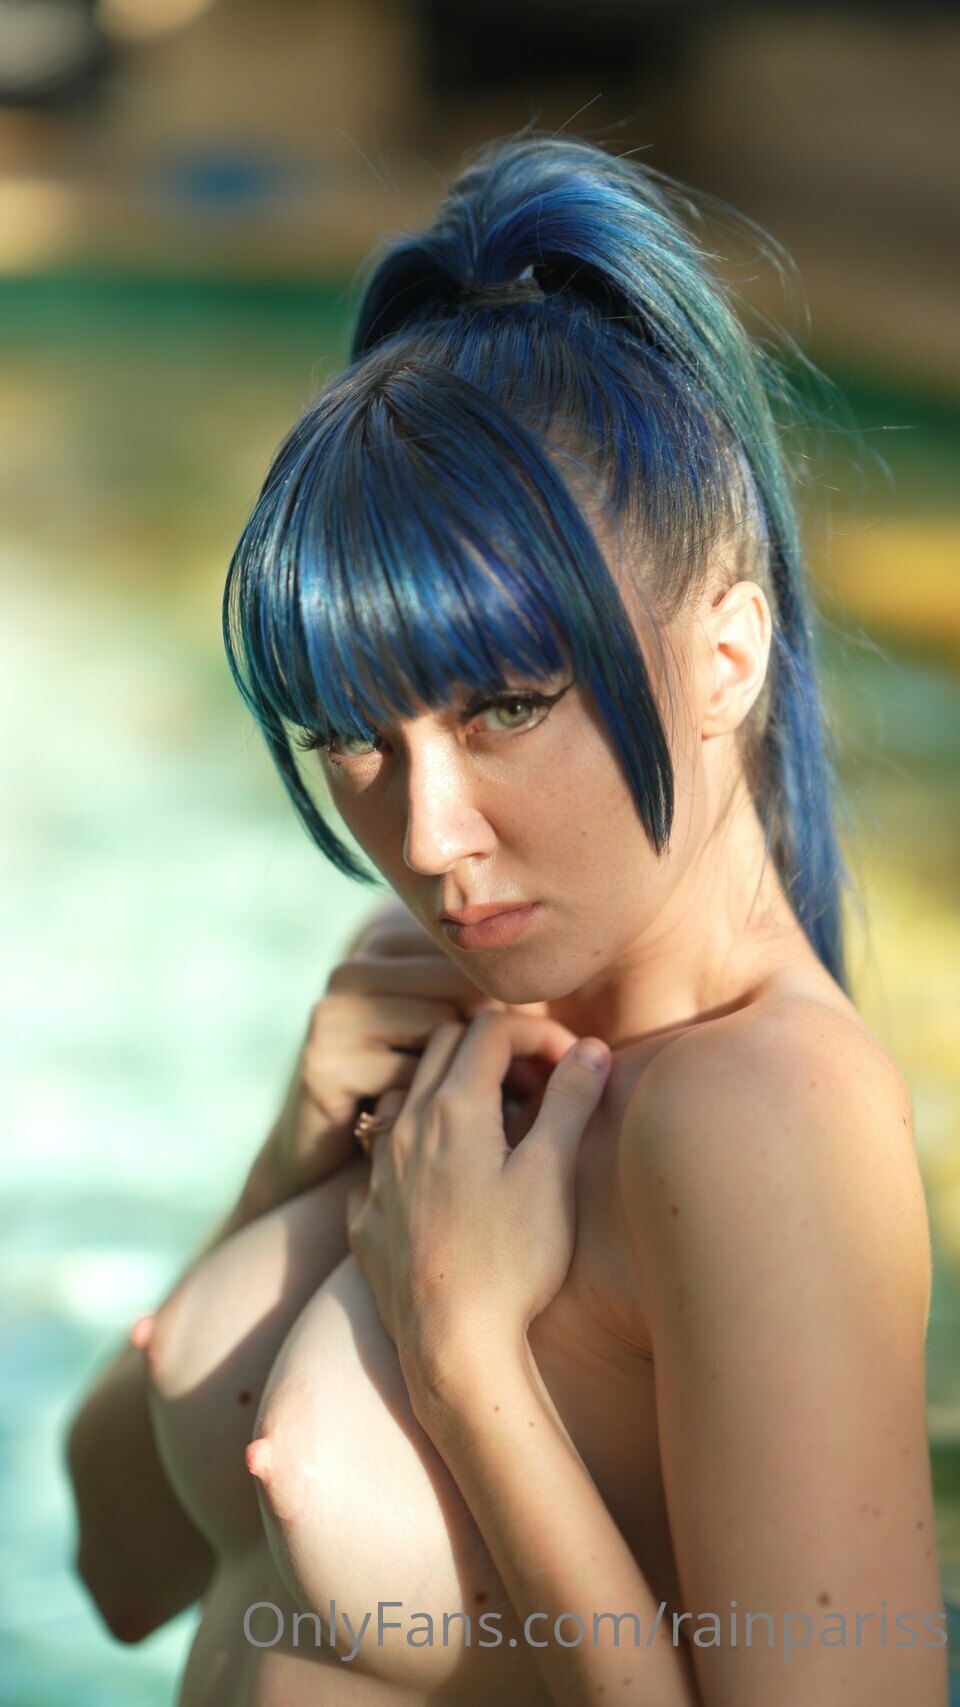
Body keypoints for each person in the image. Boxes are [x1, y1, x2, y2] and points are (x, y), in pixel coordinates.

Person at [66, 134, 947, 1706]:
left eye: (509, 707)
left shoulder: (766, 1120)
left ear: (727, 655)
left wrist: (470, 1365)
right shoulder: (436, 1017)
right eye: (355, 736)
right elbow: (117, 1575)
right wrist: (292, 1151)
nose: (427, 837)